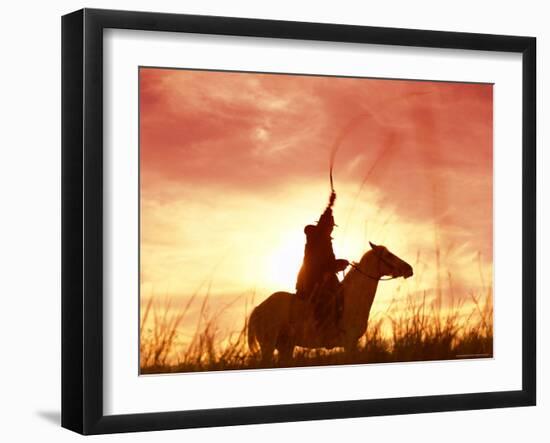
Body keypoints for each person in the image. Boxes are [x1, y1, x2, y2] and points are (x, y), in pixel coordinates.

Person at [295, 191, 349, 328]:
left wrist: (339, 264)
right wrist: (330, 206)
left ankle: (337, 324)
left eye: (332, 227)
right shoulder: (315, 237)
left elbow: (329, 264)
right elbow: (320, 264)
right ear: (324, 226)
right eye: (329, 226)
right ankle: (320, 325)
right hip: (312, 277)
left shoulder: (326, 241)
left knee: (342, 294)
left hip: (325, 277)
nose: (331, 229)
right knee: (325, 297)